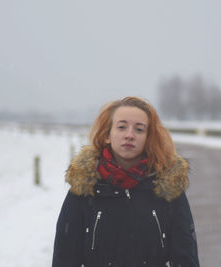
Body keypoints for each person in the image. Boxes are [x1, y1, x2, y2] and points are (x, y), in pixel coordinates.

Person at [52, 96, 200, 267]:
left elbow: (186, 257)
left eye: (139, 129)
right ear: (107, 135)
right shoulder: (84, 188)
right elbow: (65, 257)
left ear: (148, 138)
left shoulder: (168, 189)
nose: (129, 135)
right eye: (121, 127)